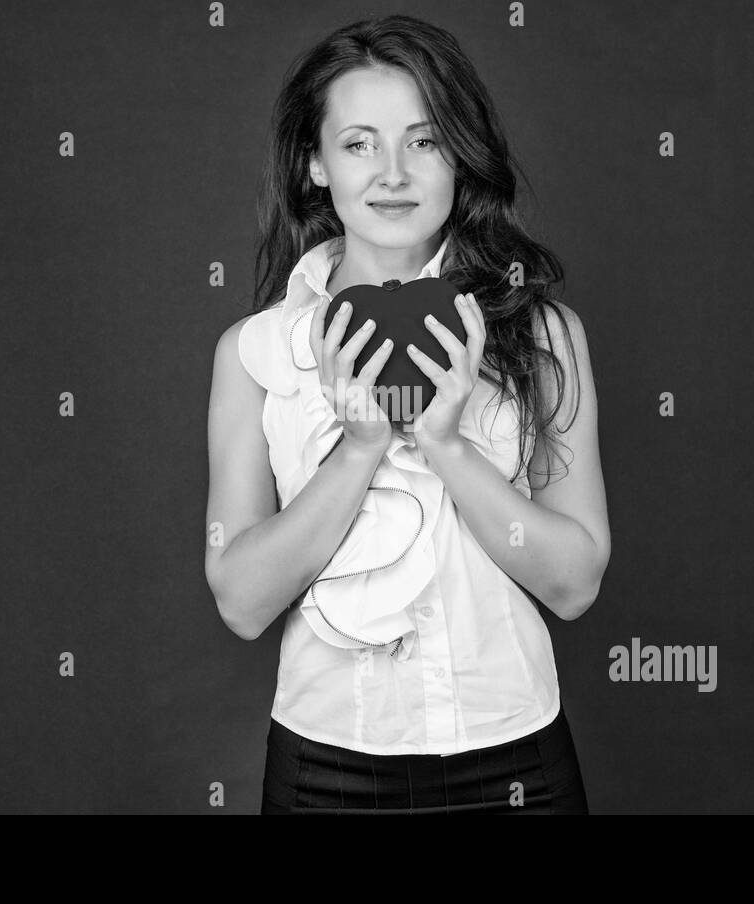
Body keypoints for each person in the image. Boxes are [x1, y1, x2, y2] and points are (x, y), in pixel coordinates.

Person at [205, 14, 610, 814]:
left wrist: (447, 446)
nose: (392, 172)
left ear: (460, 155)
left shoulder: (544, 333)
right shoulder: (255, 353)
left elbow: (575, 584)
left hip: (515, 762)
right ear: (315, 164)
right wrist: (356, 453)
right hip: (325, 772)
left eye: (423, 141)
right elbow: (242, 601)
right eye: (358, 144)